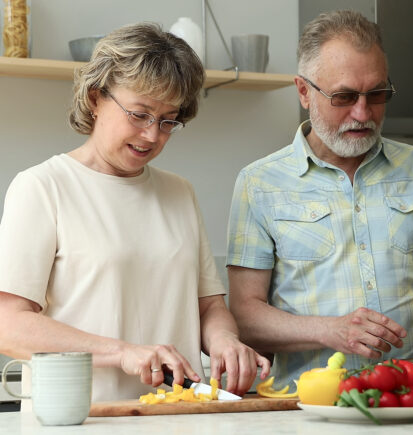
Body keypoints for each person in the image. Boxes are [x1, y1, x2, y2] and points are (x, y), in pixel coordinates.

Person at [0, 22, 270, 405]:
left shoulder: (180, 192)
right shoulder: (43, 187)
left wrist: (224, 339)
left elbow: (208, 306)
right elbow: (8, 325)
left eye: (167, 121)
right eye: (140, 114)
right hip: (82, 421)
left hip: (179, 419)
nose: (152, 136)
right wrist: (123, 352)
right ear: (96, 98)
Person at [226, 10, 413, 388]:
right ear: (304, 92)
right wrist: (330, 331)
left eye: (377, 94)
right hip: (306, 408)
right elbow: (244, 316)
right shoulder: (259, 183)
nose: (362, 112)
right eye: (344, 96)